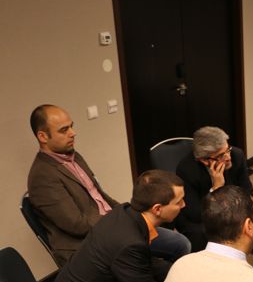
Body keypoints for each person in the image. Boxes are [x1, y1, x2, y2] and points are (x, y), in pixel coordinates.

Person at [27, 104, 190, 266]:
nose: (72, 133)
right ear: (43, 137)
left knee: (180, 243)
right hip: (89, 244)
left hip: (113, 228)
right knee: (159, 265)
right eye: (64, 130)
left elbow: (100, 196)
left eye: (71, 126)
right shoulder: (42, 176)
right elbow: (76, 225)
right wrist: (121, 221)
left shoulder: (73, 157)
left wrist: (131, 213)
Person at [39, 170, 186, 282]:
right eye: (179, 202)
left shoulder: (123, 212)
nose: (184, 205)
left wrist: (183, 274)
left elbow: (146, 263)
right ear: (157, 209)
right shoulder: (129, 243)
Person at [175, 126, 253, 279]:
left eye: (227, 150)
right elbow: (195, 213)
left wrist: (237, 209)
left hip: (232, 204)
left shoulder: (237, 155)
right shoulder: (186, 169)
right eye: (221, 155)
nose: (228, 157)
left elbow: (247, 190)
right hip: (199, 215)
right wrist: (216, 188)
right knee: (198, 232)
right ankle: (207, 270)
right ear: (204, 160)